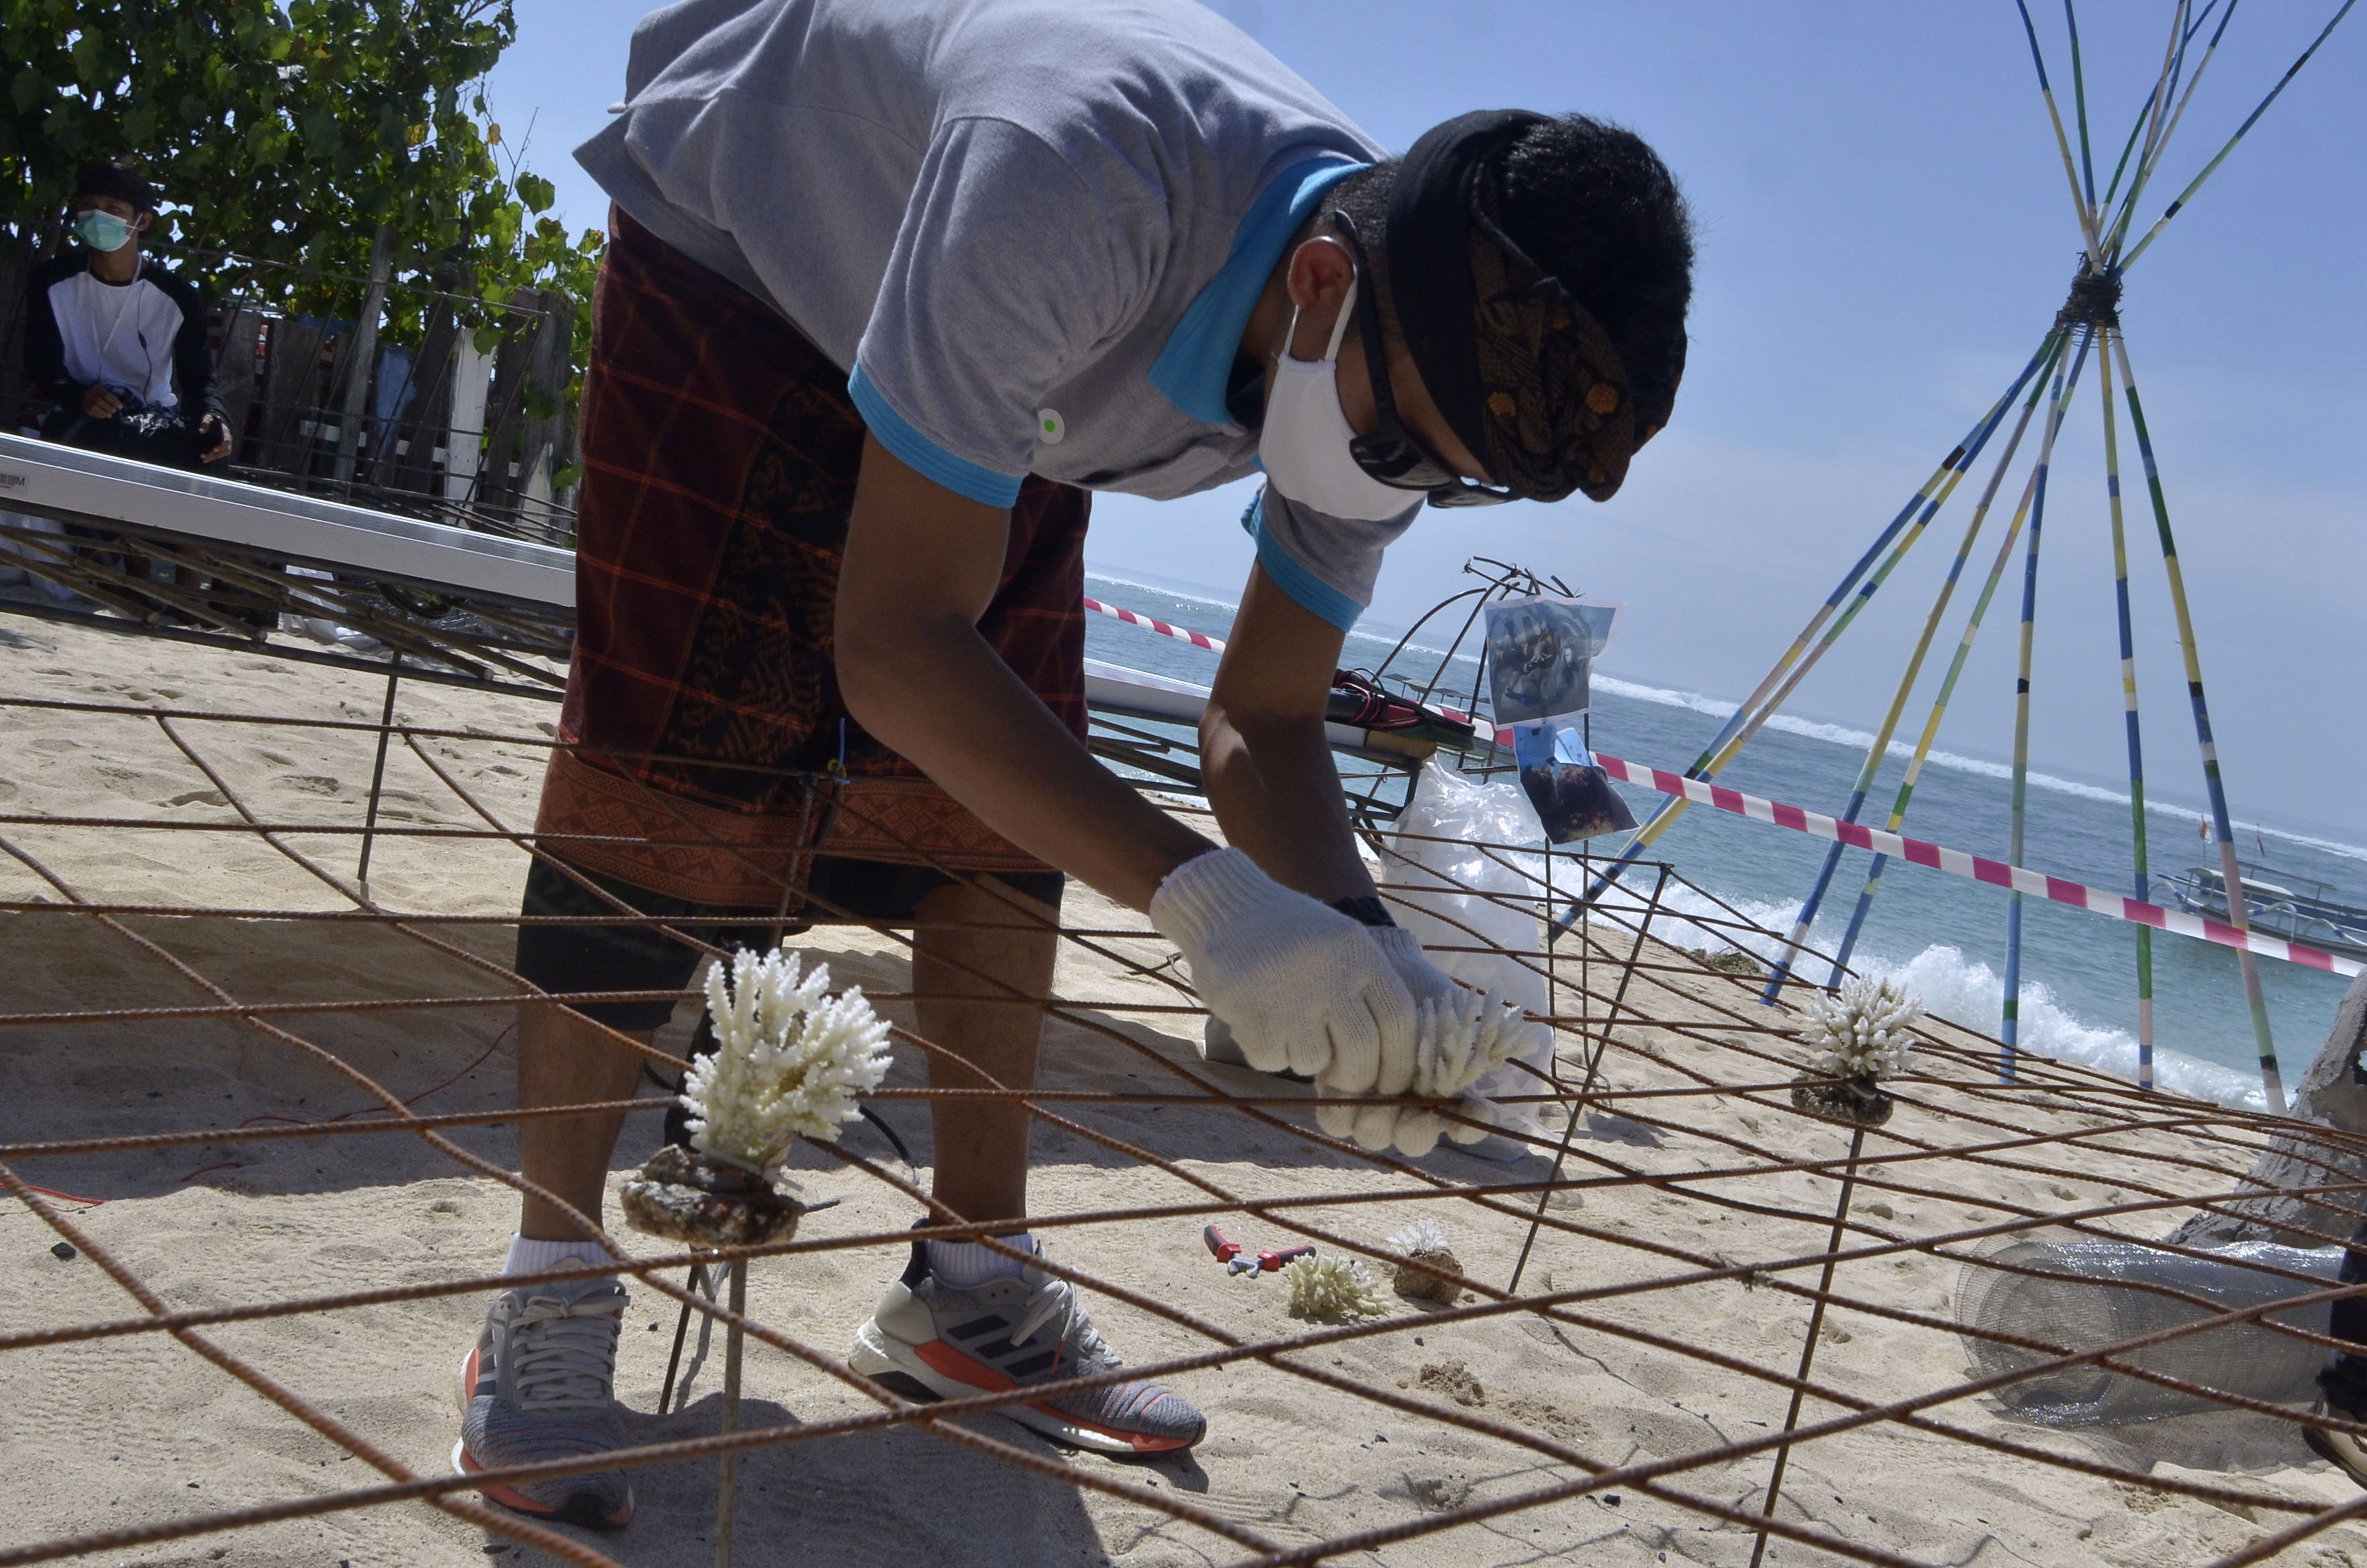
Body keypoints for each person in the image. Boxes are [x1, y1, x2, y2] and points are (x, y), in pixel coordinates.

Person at [457, 0, 1694, 1529]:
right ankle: (549, 1286)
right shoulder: (1081, 184)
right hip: (756, 241)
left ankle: (969, 1287)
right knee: (675, 768)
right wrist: (1209, 907)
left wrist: (1370, 955)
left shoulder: (1400, 363)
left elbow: (1266, 717)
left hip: (1025, 373)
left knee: (998, 810)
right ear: (1319, 281)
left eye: (1450, 485)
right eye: (1408, 456)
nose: (1405, 493)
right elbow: (896, 643)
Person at [25, 163, 232, 469]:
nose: (99, 216)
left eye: (114, 209)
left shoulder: (178, 297)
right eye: (89, 207)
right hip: (76, 413)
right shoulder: (51, 281)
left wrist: (214, 417)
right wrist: (80, 396)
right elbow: (42, 362)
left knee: (210, 455)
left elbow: (200, 379)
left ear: (143, 221)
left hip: (151, 422)